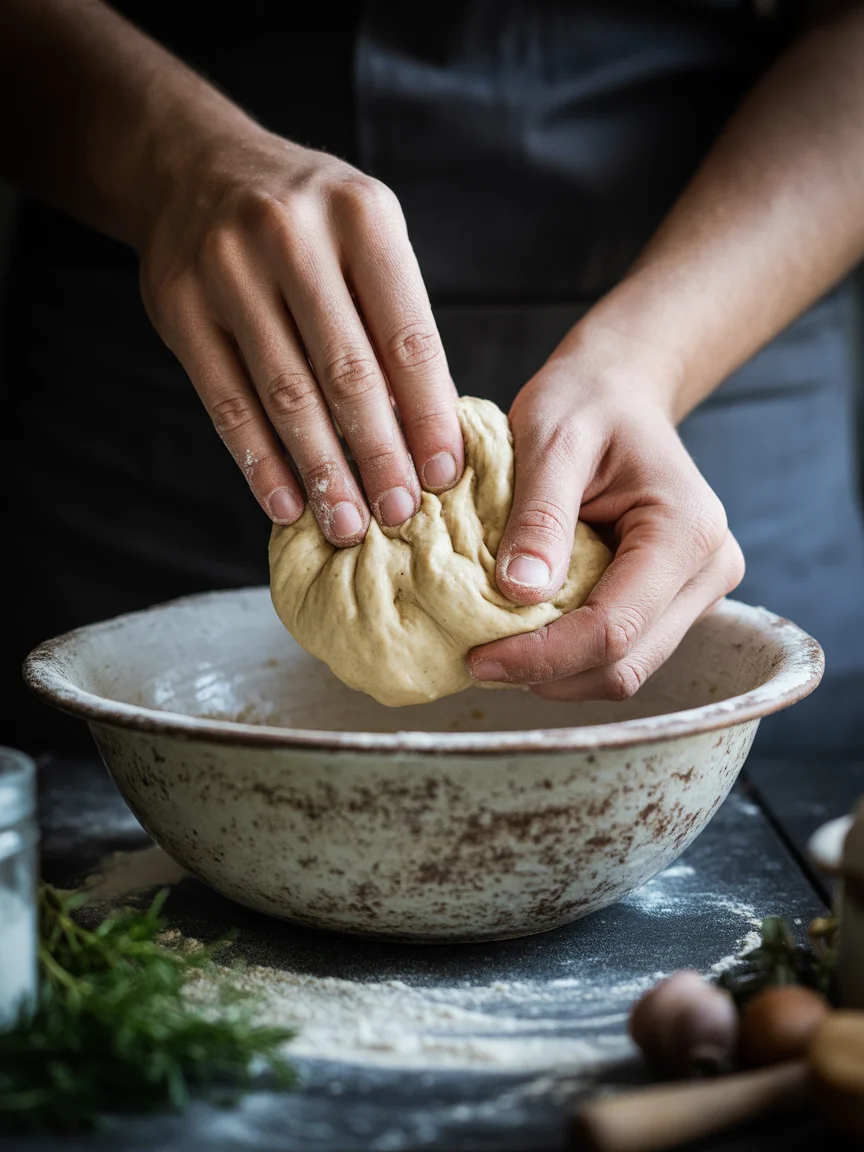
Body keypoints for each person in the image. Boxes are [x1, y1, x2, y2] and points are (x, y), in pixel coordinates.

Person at [2, 0, 863, 756]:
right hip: (163, 380)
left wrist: (650, 360)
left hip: (718, 312)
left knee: (740, 783)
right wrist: (166, 158)